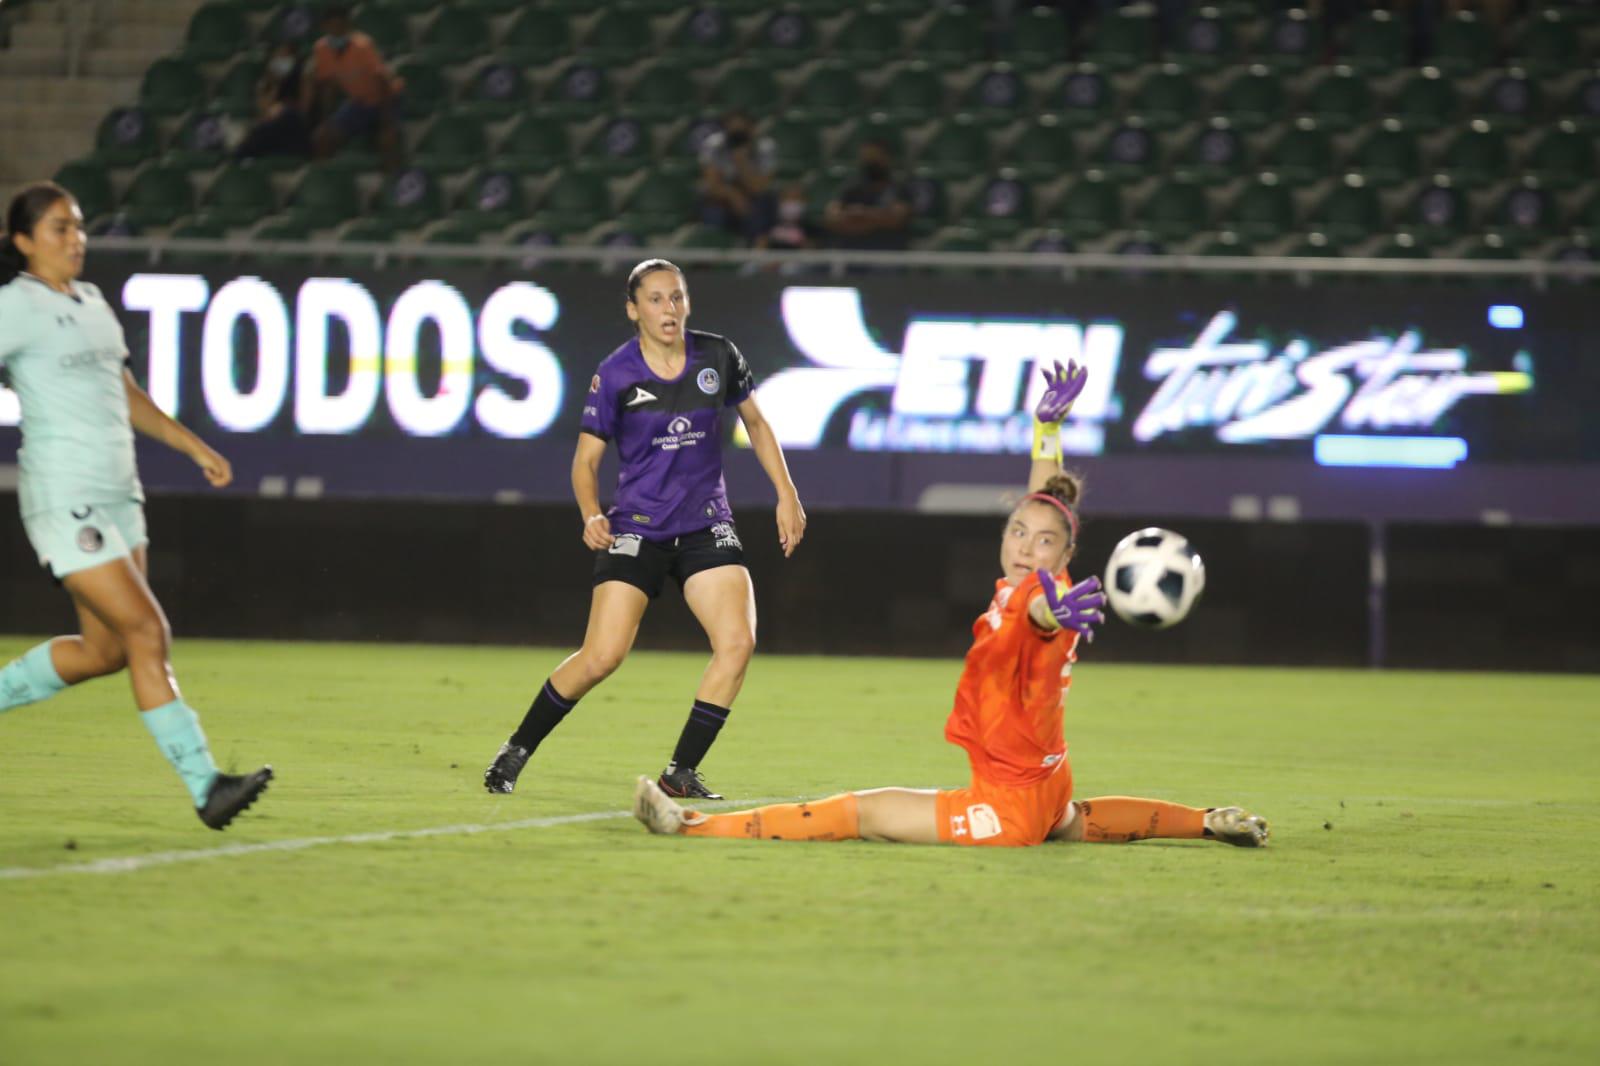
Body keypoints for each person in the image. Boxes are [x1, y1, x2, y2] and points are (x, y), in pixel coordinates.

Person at [633, 359, 1269, 849]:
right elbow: (1047, 507)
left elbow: (1039, 615)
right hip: (1049, 783)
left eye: (1042, 542)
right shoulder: (1041, 570)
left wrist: (1050, 616)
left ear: (1063, 555)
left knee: (865, 812)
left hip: (1010, 806)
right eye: (1017, 532)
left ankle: (689, 827)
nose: (1026, 545)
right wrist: (1047, 429)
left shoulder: (1040, 602)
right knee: (1073, 822)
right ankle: (1207, 821)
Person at [0, 183, 272, 829]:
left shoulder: (91, 301)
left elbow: (123, 392)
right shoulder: (13, 307)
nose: (76, 240)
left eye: (79, 227)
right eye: (60, 229)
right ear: (23, 242)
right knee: (148, 632)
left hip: (119, 494)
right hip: (65, 495)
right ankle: (207, 785)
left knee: (106, 652)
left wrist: (191, 445)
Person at [484, 259, 807, 800]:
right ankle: (516, 748)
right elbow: (585, 462)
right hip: (637, 527)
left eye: (677, 298)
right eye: (656, 300)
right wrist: (592, 514)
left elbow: (755, 422)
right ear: (634, 310)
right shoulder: (614, 373)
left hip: (706, 525)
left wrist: (787, 493)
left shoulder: (718, 355)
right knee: (603, 655)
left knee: (737, 643)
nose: (669, 310)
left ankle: (680, 773)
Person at [302, 2, 402, 169]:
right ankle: (327, 178)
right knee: (321, 137)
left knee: (387, 140)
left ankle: (389, 184)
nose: (337, 31)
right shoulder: (321, 49)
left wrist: (386, 122)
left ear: (348, 26)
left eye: (341, 26)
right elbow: (329, 87)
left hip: (386, 99)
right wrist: (327, 120)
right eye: (332, 26)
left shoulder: (363, 45)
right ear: (325, 27)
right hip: (358, 102)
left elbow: (383, 83)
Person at [698, 109, 778, 242]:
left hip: (753, 197)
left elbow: (759, 188)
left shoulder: (765, 146)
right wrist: (733, 195)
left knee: (762, 207)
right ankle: (716, 247)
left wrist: (741, 162)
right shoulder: (715, 145)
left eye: (742, 133)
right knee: (712, 210)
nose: (737, 138)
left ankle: (755, 248)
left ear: (752, 129)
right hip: (723, 196)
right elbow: (712, 185)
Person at [823, 137, 913, 252]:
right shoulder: (852, 188)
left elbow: (897, 218)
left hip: (887, 252)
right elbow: (831, 217)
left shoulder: (899, 188)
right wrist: (872, 219)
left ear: (886, 159)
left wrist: (861, 214)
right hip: (849, 251)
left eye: (874, 158)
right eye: (866, 158)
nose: (870, 162)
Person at [235, 41, 310, 161]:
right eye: (278, 56)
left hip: (292, 136)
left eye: (286, 56)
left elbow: (303, 111)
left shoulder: (302, 79)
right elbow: (263, 113)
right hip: (270, 138)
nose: (281, 61)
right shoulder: (266, 84)